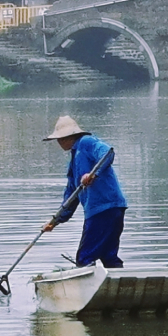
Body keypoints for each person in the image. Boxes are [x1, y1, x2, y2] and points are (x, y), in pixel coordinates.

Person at [40, 115, 128, 269]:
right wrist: (54, 222)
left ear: (69, 137)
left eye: (60, 139)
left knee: (85, 257)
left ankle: (85, 289)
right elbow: (71, 198)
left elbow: (107, 153)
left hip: (104, 208)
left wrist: (93, 174)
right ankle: (120, 288)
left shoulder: (86, 142)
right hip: (108, 210)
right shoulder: (74, 163)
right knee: (109, 256)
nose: (59, 143)